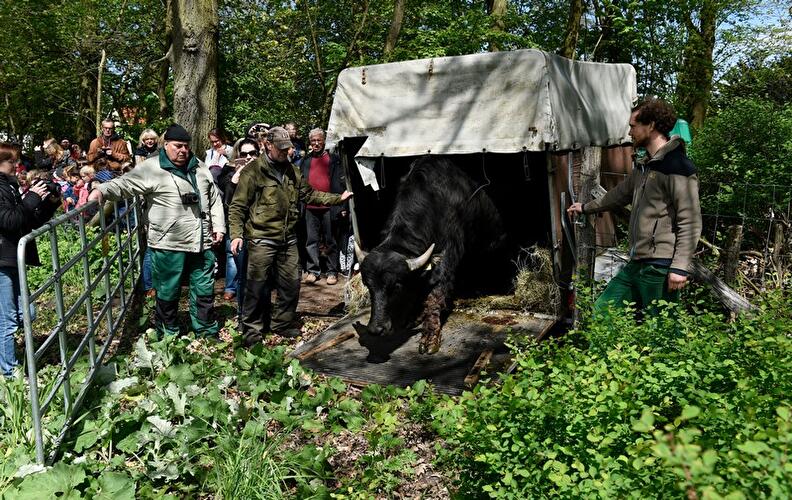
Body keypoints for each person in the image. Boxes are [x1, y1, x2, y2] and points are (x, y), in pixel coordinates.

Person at [88, 124, 225, 338]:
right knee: (167, 291)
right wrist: (101, 191)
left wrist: (219, 226)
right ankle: (167, 334)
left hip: (201, 240)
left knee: (204, 289)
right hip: (169, 242)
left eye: (186, 147)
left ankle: (206, 330)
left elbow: (214, 196)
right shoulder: (151, 168)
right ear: (166, 145)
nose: (183, 151)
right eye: (178, 146)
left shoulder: (198, 166)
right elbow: (125, 184)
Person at [567, 98, 702, 314]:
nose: (630, 132)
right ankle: (608, 349)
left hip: (660, 266)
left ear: (651, 126)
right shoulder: (645, 165)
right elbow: (618, 195)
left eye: (633, 126)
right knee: (604, 311)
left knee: (662, 329)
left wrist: (679, 267)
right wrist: (585, 207)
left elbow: (690, 220)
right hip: (637, 261)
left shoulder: (677, 167)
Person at [227, 126, 352, 345]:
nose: (286, 152)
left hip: (288, 239)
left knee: (291, 285)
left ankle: (281, 324)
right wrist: (236, 234)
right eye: (281, 149)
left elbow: (309, 194)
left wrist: (337, 198)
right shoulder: (253, 172)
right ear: (268, 146)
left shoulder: (292, 172)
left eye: (288, 149)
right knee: (256, 287)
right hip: (261, 239)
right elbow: (237, 207)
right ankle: (252, 331)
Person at [0, 143, 61, 377]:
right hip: (2, 261)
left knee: (28, 313)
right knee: (7, 321)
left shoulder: (10, 187)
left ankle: (8, 361)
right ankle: (9, 373)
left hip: (12, 257)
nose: (17, 165)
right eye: (11, 161)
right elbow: (9, 221)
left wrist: (47, 202)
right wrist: (32, 197)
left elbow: (27, 221)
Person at [298, 128, 348, 285]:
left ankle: (332, 272)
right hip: (310, 207)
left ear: (324, 141)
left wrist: (342, 205)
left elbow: (341, 184)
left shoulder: (334, 159)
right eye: (313, 141)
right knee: (311, 240)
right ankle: (313, 271)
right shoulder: (305, 161)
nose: (316, 143)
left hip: (330, 207)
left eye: (319, 140)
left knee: (330, 240)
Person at [217, 138, 260, 304]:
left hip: (259, 227)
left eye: (252, 153)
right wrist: (236, 177)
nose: (248, 157)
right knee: (233, 257)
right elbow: (228, 200)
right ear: (238, 155)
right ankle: (231, 289)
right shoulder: (228, 172)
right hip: (237, 224)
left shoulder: (265, 170)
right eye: (244, 154)